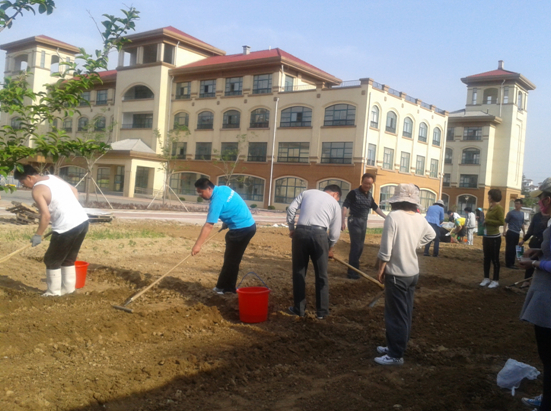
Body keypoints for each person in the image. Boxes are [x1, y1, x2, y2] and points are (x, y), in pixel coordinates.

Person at [375, 184, 435, 366]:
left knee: (395, 315)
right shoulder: (419, 218)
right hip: (412, 273)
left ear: (397, 201)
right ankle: (395, 344)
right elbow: (431, 234)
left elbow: (386, 248)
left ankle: (395, 354)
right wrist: (414, 244)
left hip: (397, 273)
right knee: (405, 312)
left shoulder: (393, 217)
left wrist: (380, 267)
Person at [14, 165, 89, 296]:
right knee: (68, 259)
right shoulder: (54, 177)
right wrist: (70, 209)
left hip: (66, 227)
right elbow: (74, 190)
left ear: (29, 177)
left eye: (23, 182)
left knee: (51, 260)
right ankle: (69, 290)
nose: (24, 185)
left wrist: (38, 235)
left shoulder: (37, 190)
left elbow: (46, 216)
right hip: (82, 221)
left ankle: (53, 293)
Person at [519, 178, 551, 411]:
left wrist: (534, 263)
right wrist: (540, 251)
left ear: (548, 200)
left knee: (548, 355)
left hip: (548, 300)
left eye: (541, 198)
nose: (539, 202)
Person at [192, 178, 256, 294]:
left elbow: (208, 226)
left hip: (241, 230)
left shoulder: (216, 202)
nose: (200, 194)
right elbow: (232, 204)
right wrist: (227, 222)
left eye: (201, 191)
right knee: (232, 259)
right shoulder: (223, 188)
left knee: (231, 260)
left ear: (209, 188)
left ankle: (225, 289)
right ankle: (224, 287)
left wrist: (197, 245)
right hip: (248, 225)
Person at [287, 185, 342, 319]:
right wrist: (330, 247)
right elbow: (335, 232)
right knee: (321, 275)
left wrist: (291, 228)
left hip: (300, 233)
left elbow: (291, 209)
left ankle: (299, 309)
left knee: (299, 272)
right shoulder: (335, 204)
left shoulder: (307, 193)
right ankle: (322, 312)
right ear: (336, 195)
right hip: (320, 235)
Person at [341, 173, 386, 279]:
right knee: (356, 247)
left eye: (370, 184)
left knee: (360, 247)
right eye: (366, 183)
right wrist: (342, 221)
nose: (367, 186)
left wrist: (386, 217)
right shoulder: (353, 193)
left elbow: (375, 208)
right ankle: (352, 273)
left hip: (363, 222)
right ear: (362, 182)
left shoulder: (369, 195)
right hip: (354, 221)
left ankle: (355, 269)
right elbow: (345, 206)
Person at [480, 189, 505, 288]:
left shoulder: (499, 208)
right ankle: (486, 278)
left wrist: (488, 221)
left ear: (493, 197)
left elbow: (501, 222)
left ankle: (495, 280)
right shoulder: (491, 207)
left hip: (494, 237)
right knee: (486, 258)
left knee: (495, 259)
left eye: (489, 195)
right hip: (487, 236)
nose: (488, 197)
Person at [520, 210, 550, 287]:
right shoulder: (536, 216)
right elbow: (530, 230)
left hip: (545, 243)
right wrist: (523, 240)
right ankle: (527, 280)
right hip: (535, 242)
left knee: (543, 261)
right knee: (531, 258)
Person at [503, 199, 526, 269]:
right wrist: (504, 231)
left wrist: (524, 232)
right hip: (511, 232)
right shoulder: (511, 213)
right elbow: (506, 221)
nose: (516, 205)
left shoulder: (522, 214)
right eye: (515, 203)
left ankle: (512, 263)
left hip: (517, 233)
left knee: (514, 248)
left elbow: (522, 223)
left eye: (518, 203)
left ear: (521, 205)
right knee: (510, 248)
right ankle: (508, 263)